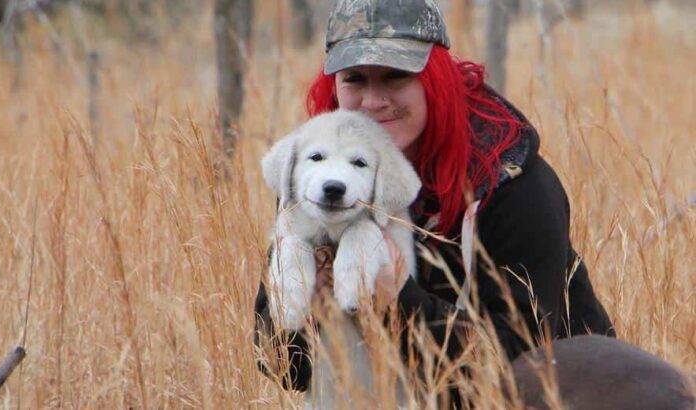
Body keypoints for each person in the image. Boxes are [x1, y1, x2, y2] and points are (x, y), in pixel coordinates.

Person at [254, 0, 616, 403]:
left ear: (435, 81)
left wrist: (398, 301)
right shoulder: (319, 181)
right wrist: (308, 309)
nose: (373, 101)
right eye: (354, 79)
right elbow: (281, 367)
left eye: (396, 76)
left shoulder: (510, 185)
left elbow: (525, 362)